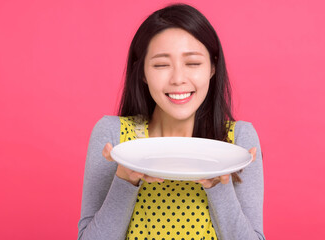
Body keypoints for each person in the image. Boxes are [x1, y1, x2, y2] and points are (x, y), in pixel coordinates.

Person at [77, 3, 264, 240]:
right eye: (161, 65)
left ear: (213, 67)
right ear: (142, 71)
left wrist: (220, 186)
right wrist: (124, 179)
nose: (178, 79)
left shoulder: (237, 142)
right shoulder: (114, 136)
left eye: (193, 63)